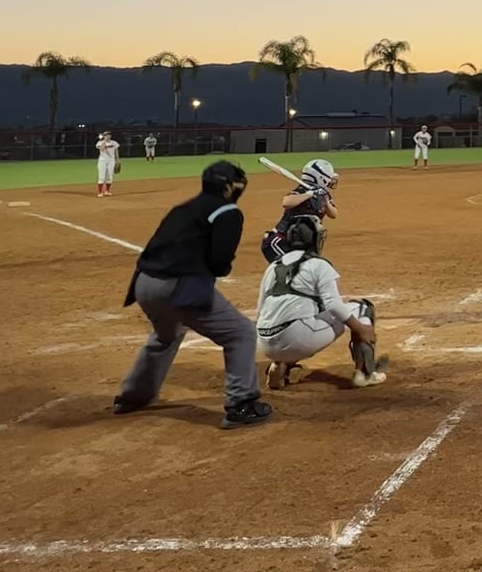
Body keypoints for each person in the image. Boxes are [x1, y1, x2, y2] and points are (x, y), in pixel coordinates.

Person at [112, 161, 272, 428]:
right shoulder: (227, 211)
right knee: (240, 333)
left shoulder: (182, 208)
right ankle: (241, 405)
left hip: (143, 284)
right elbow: (220, 262)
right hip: (176, 287)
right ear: (228, 188)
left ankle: (133, 396)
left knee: (166, 334)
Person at [255, 214, 386, 390]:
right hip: (297, 339)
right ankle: (365, 374)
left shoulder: (273, 267)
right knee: (363, 308)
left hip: (265, 344)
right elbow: (334, 305)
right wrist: (361, 330)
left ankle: (280, 364)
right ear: (314, 240)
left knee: (304, 311)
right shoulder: (318, 264)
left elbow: (260, 310)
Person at [262, 159, 340, 261]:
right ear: (322, 178)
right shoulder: (302, 190)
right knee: (288, 266)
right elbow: (286, 202)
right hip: (279, 241)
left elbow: (333, 214)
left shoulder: (323, 194)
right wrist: (310, 194)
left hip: (300, 244)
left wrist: (326, 202)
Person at [95, 130, 120, 198]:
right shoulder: (100, 143)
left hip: (111, 161)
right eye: (106, 135)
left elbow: (116, 151)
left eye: (109, 135)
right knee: (101, 177)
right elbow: (101, 149)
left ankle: (107, 191)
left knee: (109, 176)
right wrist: (104, 141)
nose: (108, 136)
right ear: (104, 136)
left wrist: (117, 161)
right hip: (102, 161)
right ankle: (100, 192)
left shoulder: (114, 143)